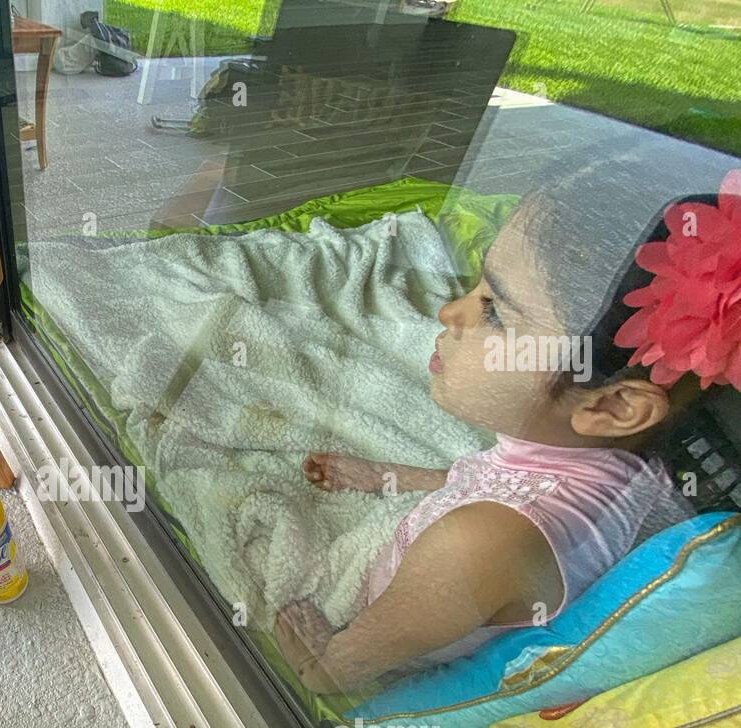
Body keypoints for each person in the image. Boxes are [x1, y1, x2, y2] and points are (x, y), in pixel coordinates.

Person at [274, 164, 740, 692]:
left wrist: (320, 661)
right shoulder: (602, 462)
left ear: (613, 407)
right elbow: (492, 482)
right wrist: (388, 475)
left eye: (493, 310)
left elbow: (341, 670)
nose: (451, 311)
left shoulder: (478, 544)